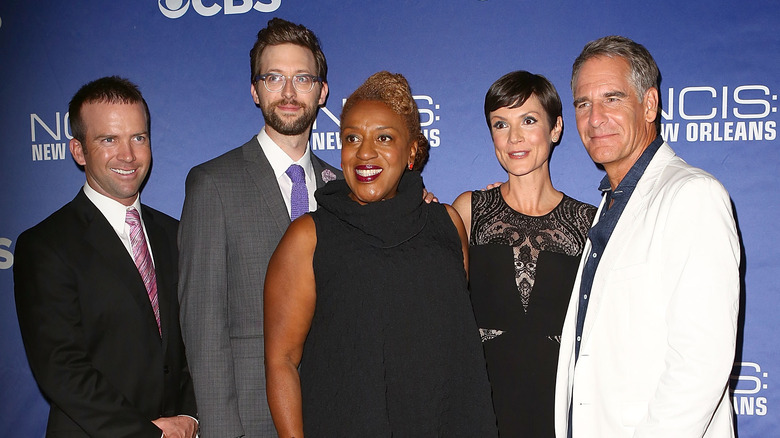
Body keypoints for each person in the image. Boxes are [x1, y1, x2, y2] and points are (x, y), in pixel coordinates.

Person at [264, 71, 498, 437]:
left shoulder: (448, 226)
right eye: (352, 138)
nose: (365, 152)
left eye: (384, 138)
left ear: (412, 152)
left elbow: (455, 353)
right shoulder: (308, 237)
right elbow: (282, 361)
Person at [554, 36, 740, 437]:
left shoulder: (693, 195)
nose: (595, 118)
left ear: (650, 104)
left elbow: (700, 364)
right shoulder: (610, 202)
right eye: (583, 104)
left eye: (612, 99)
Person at [177, 18, 341, 437]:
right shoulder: (213, 183)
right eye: (274, 78)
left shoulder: (344, 189)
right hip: (251, 420)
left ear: (322, 92)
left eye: (302, 78)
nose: (288, 92)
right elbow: (203, 327)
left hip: (336, 412)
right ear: (255, 90)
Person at [13, 76, 197, 437]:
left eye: (138, 138)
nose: (127, 155)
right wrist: (151, 434)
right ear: (78, 151)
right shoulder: (45, 245)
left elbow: (197, 342)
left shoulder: (178, 234)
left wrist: (190, 417)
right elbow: (62, 369)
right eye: (109, 139)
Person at [452, 71, 596, 437]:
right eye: (501, 124)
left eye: (528, 121)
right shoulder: (469, 210)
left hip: (559, 413)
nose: (514, 137)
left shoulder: (589, 222)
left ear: (556, 128)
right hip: (482, 411)